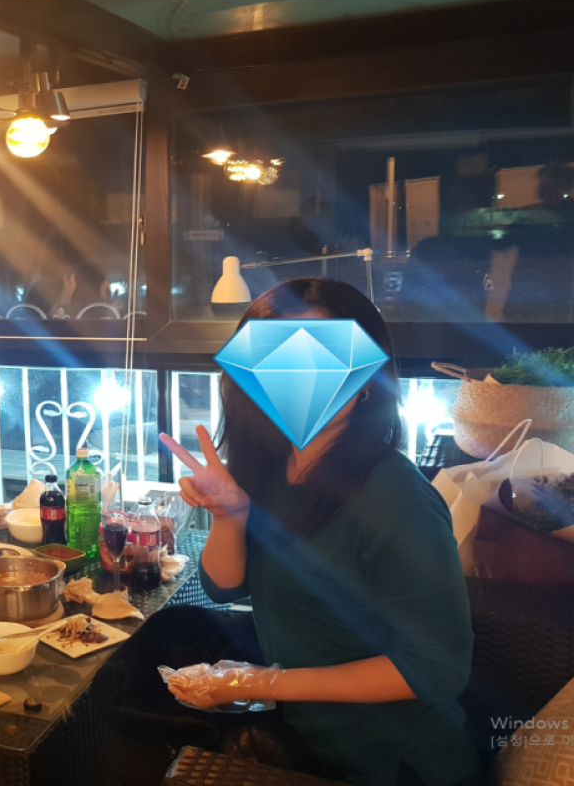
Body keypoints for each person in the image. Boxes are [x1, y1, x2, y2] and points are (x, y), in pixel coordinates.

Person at [159, 278, 481, 786]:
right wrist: (229, 515)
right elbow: (224, 587)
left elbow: (438, 669)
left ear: (367, 378)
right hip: (309, 739)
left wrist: (261, 682)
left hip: (393, 763)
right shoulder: (273, 466)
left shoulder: (396, 497)